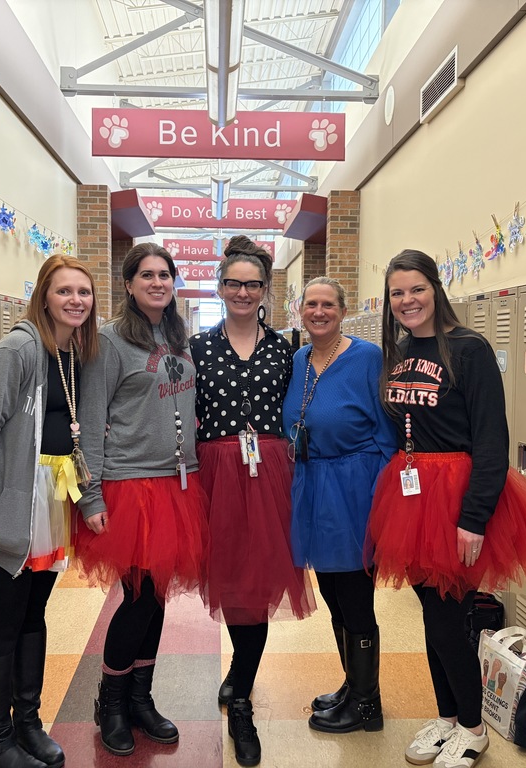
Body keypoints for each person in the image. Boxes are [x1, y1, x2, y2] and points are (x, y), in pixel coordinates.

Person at [367, 249, 526, 768]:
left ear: (436, 288)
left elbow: (492, 441)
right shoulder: (401, 350)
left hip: (457, 498)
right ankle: (448, 718)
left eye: (416, 289)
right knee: (433, 615)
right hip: (412, 495)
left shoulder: (469, 349)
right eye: (397, 293)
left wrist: (473, 518)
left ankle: (473, 730)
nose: (407, 300)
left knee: (449, 619)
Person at [0, 254, 99, 768]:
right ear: (43, 295)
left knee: (33, 614)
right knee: (2, 621)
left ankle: (27, 723)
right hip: (6, 505)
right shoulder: (16, 350)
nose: (75, 300)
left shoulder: (71, 351)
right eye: (64, 291)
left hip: (48, 502)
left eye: (84, 291)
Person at [73, 243, 209, 758]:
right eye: (145, 275)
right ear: (128, 285)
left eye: (164, 274)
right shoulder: (108, 341)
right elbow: (88, 421)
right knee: (137, 597)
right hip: (130, 487)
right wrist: (91, 495)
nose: (157, 282)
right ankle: (110, 703)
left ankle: (140, 698)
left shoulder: (178, 336)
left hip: (178, 483)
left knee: (156, 599)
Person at [191, 236, 316, 766]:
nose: (243, 291)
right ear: (220, 287)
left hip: (270, 477)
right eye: (233, 282)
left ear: (266, 289)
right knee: (231, 579)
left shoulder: (286, 347)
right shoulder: (196, 347)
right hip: (216, 475)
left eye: (253, 284)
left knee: (260, 580)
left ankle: (241, 695)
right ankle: (239, 677)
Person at [282, 276, 396, 734]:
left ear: (342, 311)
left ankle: (368, 706)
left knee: (355, 596)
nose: (319, 311)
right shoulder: (300, 358)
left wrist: (384, 502)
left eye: (328, 304)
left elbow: (388, 433)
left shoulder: (368, 358)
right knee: (332, 594)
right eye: (311, 303)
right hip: (313, 484)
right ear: (300, 311)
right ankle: (353, 685)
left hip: (355, 489)